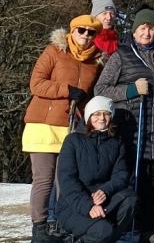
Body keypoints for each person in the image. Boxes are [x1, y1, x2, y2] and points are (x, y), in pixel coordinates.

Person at [94, 8, 154, 240]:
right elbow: (100, 90)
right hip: (131, 129)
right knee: (133, 179)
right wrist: (131, 90)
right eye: (142, 28)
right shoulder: (121, 55)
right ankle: (124, 225)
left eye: (151, 27)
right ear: (134, 32)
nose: (147, 32)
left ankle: (150, 231)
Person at [23, 15, 104, 243]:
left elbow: (90, 97)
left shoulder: (95, 62)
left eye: (91, 32)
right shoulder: (54, 51)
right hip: (43, 123)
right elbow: (36, 83)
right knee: (44, 179)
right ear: (72, 31)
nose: (86, 36)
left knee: (65, 180)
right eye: (81, 31)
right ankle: (39, 227)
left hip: (71, 127)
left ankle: (61, 224)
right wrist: (66, 90)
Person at [56, 96, 137, 243]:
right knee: (103, 230)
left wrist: (105, 190)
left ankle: (104, 237)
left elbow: (121, 174)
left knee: (130, 198)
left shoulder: (116, 142)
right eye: (97, 114)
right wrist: (88, 206)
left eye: (106, 114)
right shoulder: (73, 141)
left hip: (103, 201)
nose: (102, 118)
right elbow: (67, 180)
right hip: (75, 205)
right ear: (89, 117)